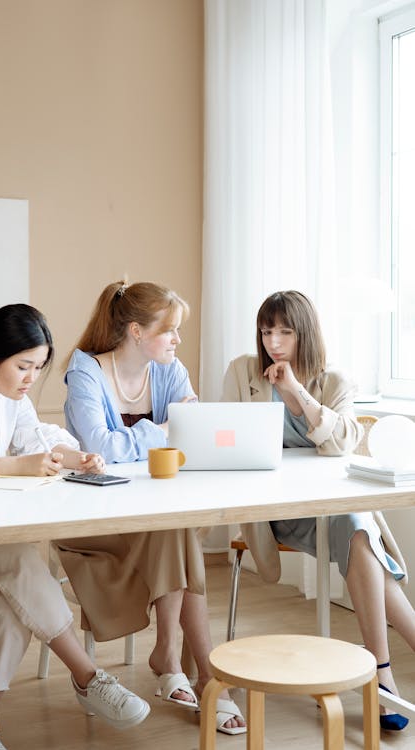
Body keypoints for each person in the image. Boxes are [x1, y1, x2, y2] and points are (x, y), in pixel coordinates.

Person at [0, 303, 150, 750]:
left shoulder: (8, 395)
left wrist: (74, 456)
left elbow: (35, 438)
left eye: (37, 368)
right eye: (23, 366)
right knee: (17, 559)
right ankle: (87, 677)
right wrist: (19, 464)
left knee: (12, 602)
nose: (29, 378)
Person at [222, 289, 415, 732]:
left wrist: (295, 393)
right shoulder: (241, 372)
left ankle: (381, 674)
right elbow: (227, 437)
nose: (273, 341)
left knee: (356, 526)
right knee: (360, 534)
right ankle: (384, 678)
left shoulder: (334, 382)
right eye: (267, 331)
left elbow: (343, 443)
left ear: (304, 333)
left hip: (327, 507)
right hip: (272, 511)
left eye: (285, 331)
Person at [60, 280, 246, 735]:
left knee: (174, 527)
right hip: (92, 519)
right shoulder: (85, 372)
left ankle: (184, 663)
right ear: (137, 332)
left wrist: (164, 431)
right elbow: (97, 445)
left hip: (154, 516)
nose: (178, 341)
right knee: (177, 531)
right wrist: (163, 427)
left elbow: (192, 431)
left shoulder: (168, 368)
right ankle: (195, 670)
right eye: (170, 331)